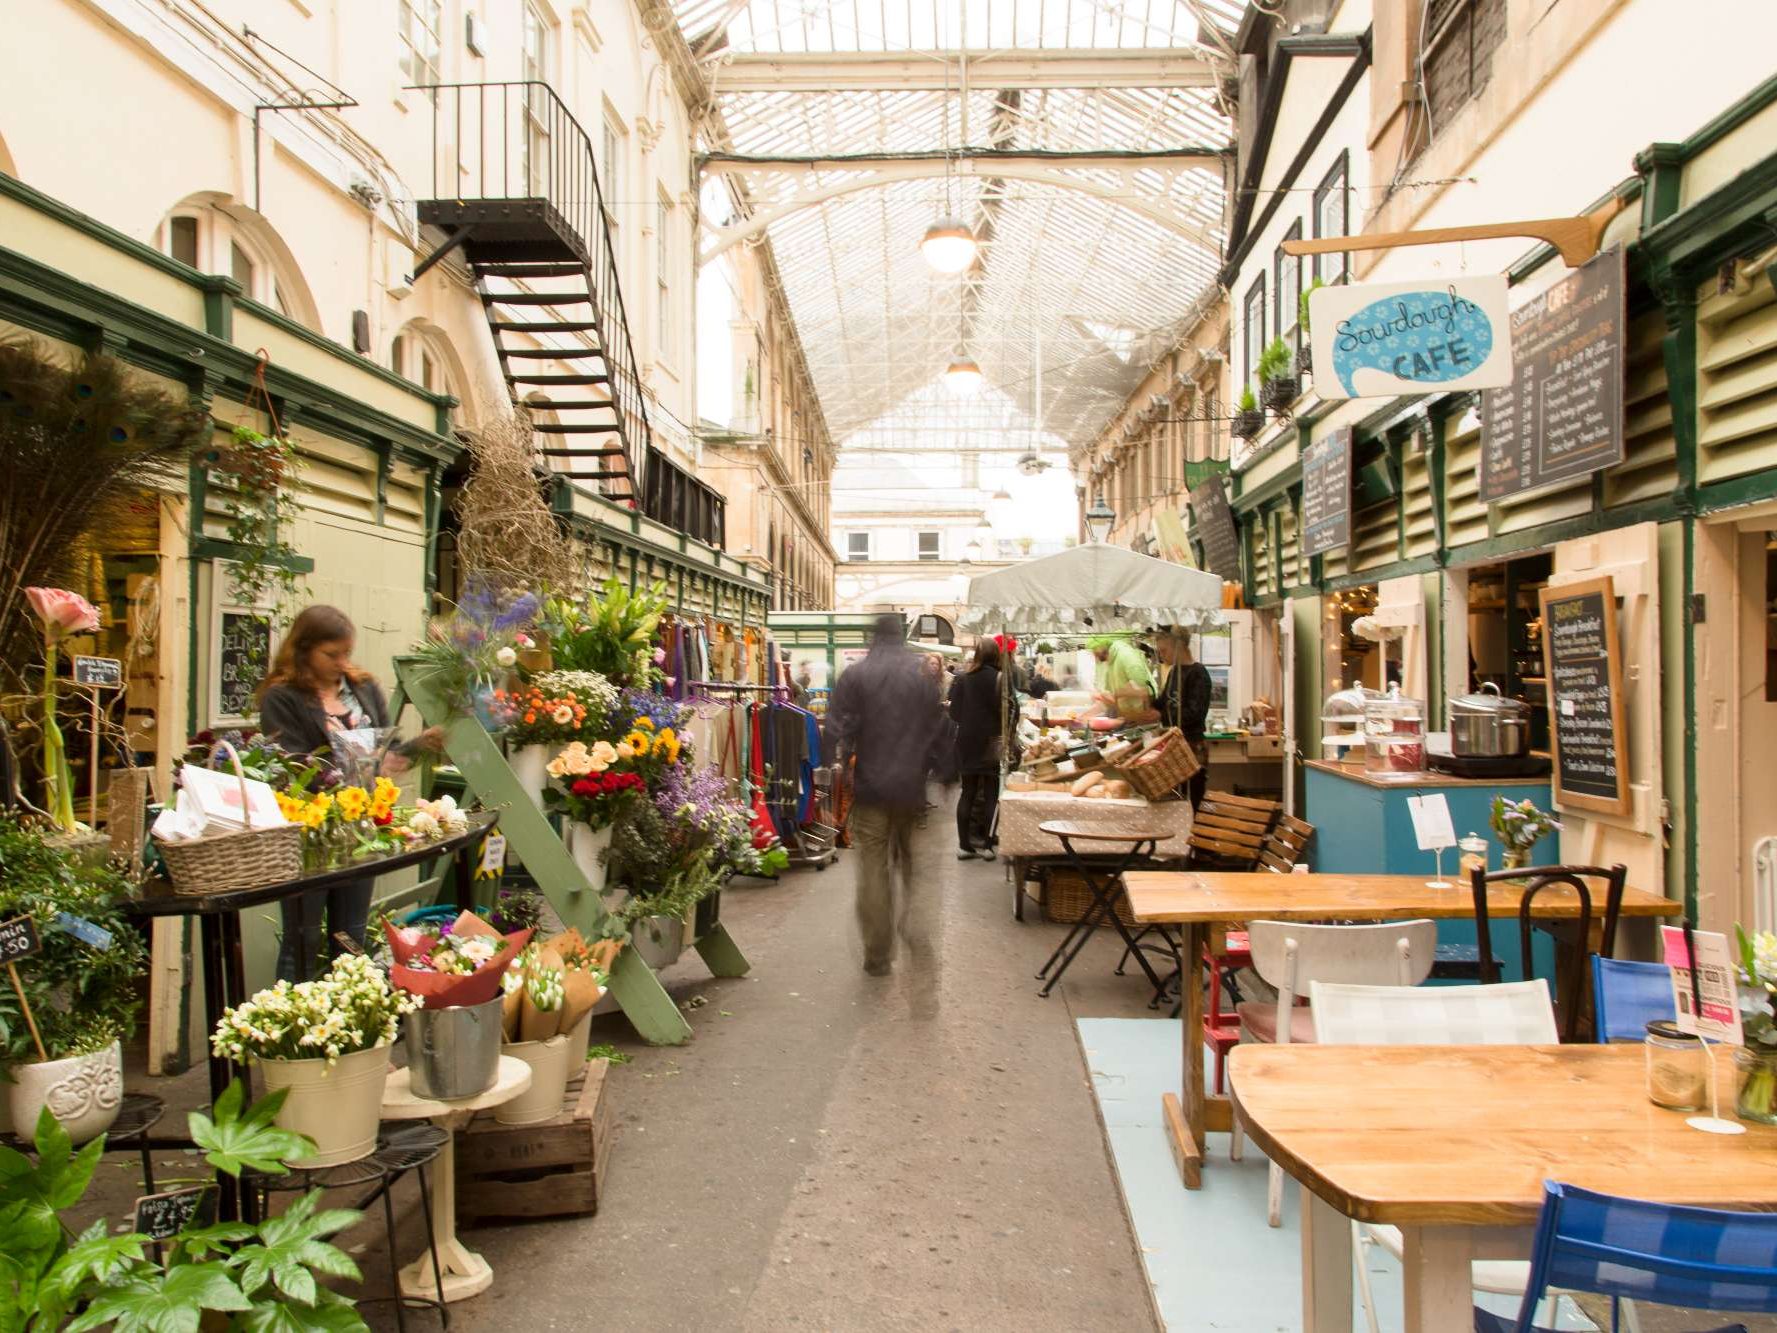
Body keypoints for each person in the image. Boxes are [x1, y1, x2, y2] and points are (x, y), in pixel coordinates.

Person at [256, 605, 396, 982]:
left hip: (359, 829)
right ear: (303, 649)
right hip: (309, 832)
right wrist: (346, 770)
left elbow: (383, 740)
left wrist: (380, 765)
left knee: (350, 935)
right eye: (331, 655)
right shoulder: (282, 697)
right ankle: (293, 1026)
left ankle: (352, 1026)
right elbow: (293, 763)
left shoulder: (362, 687)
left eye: (346, 653)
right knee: (301, 938)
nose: (341, 662)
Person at [828, 614, 942, 976]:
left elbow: (837, 724)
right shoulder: (921, 676)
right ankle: (915, 928)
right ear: (903, 637)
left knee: (874, 871)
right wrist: (945, 771)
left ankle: (878, 954)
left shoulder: (856, 675)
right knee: (912, 863)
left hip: (872, 786)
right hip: (911, 788)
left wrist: (838, 757)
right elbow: (937, 727)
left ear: (872, 638)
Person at [947, 638, 1003, 860]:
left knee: (967, 792)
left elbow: (954, 713)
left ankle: (964, 846)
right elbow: (1009, 710)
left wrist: (970, 721)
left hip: (967, 741)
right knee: (990, 793)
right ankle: (988, 846)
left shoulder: (963, 679)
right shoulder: (1000, 678)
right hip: (992, 741)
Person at [1154, 625, 1213, 810]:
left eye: (1164, 650)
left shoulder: (1198, 674)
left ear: (1179, 646)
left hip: (1192, 749)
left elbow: (1195, 713)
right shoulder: (1173, 672)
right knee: (1174, 802)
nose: (1161, 656)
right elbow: (1164, 702)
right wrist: (1142, 702)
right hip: (1173, 747)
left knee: (1190, 802)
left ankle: (1191, 836)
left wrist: (1159, 715)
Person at [1088, 633, 1156, 723]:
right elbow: (1110, 698)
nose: (1094, 656)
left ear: (1101, 649)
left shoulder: (1126, 656)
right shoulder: (1109, 661)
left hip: (1141, 719)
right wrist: (1086, 715)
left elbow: (1146, 691)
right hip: (1127, 718)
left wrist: (1121, 693)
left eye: (1094, 653)